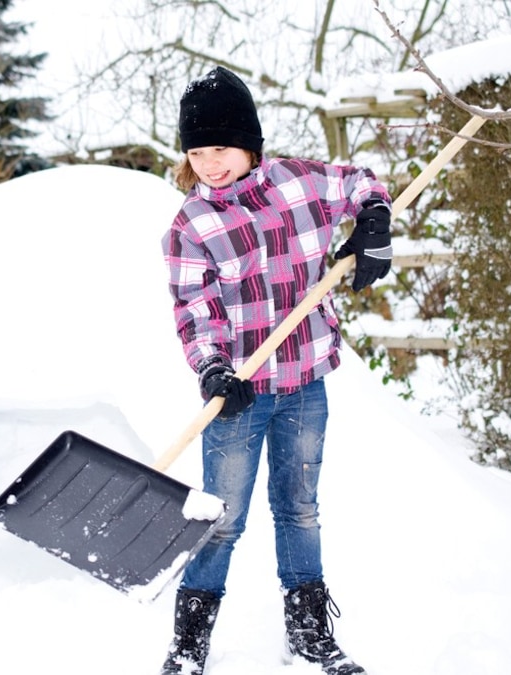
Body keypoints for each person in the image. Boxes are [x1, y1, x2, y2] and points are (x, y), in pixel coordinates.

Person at [159, 66, 393, 675]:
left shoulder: (301, 182)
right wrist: (212, 369)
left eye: (221, 149)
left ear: (249, 142)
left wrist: (373, 227)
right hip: (240, 396)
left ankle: (310, 634)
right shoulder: (192, 226)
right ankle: (188, 648)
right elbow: (195, 309)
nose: (210, 164)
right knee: (222, 520)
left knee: (300, 509)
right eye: (197, 152)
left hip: (306, 383)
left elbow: (364, 183)